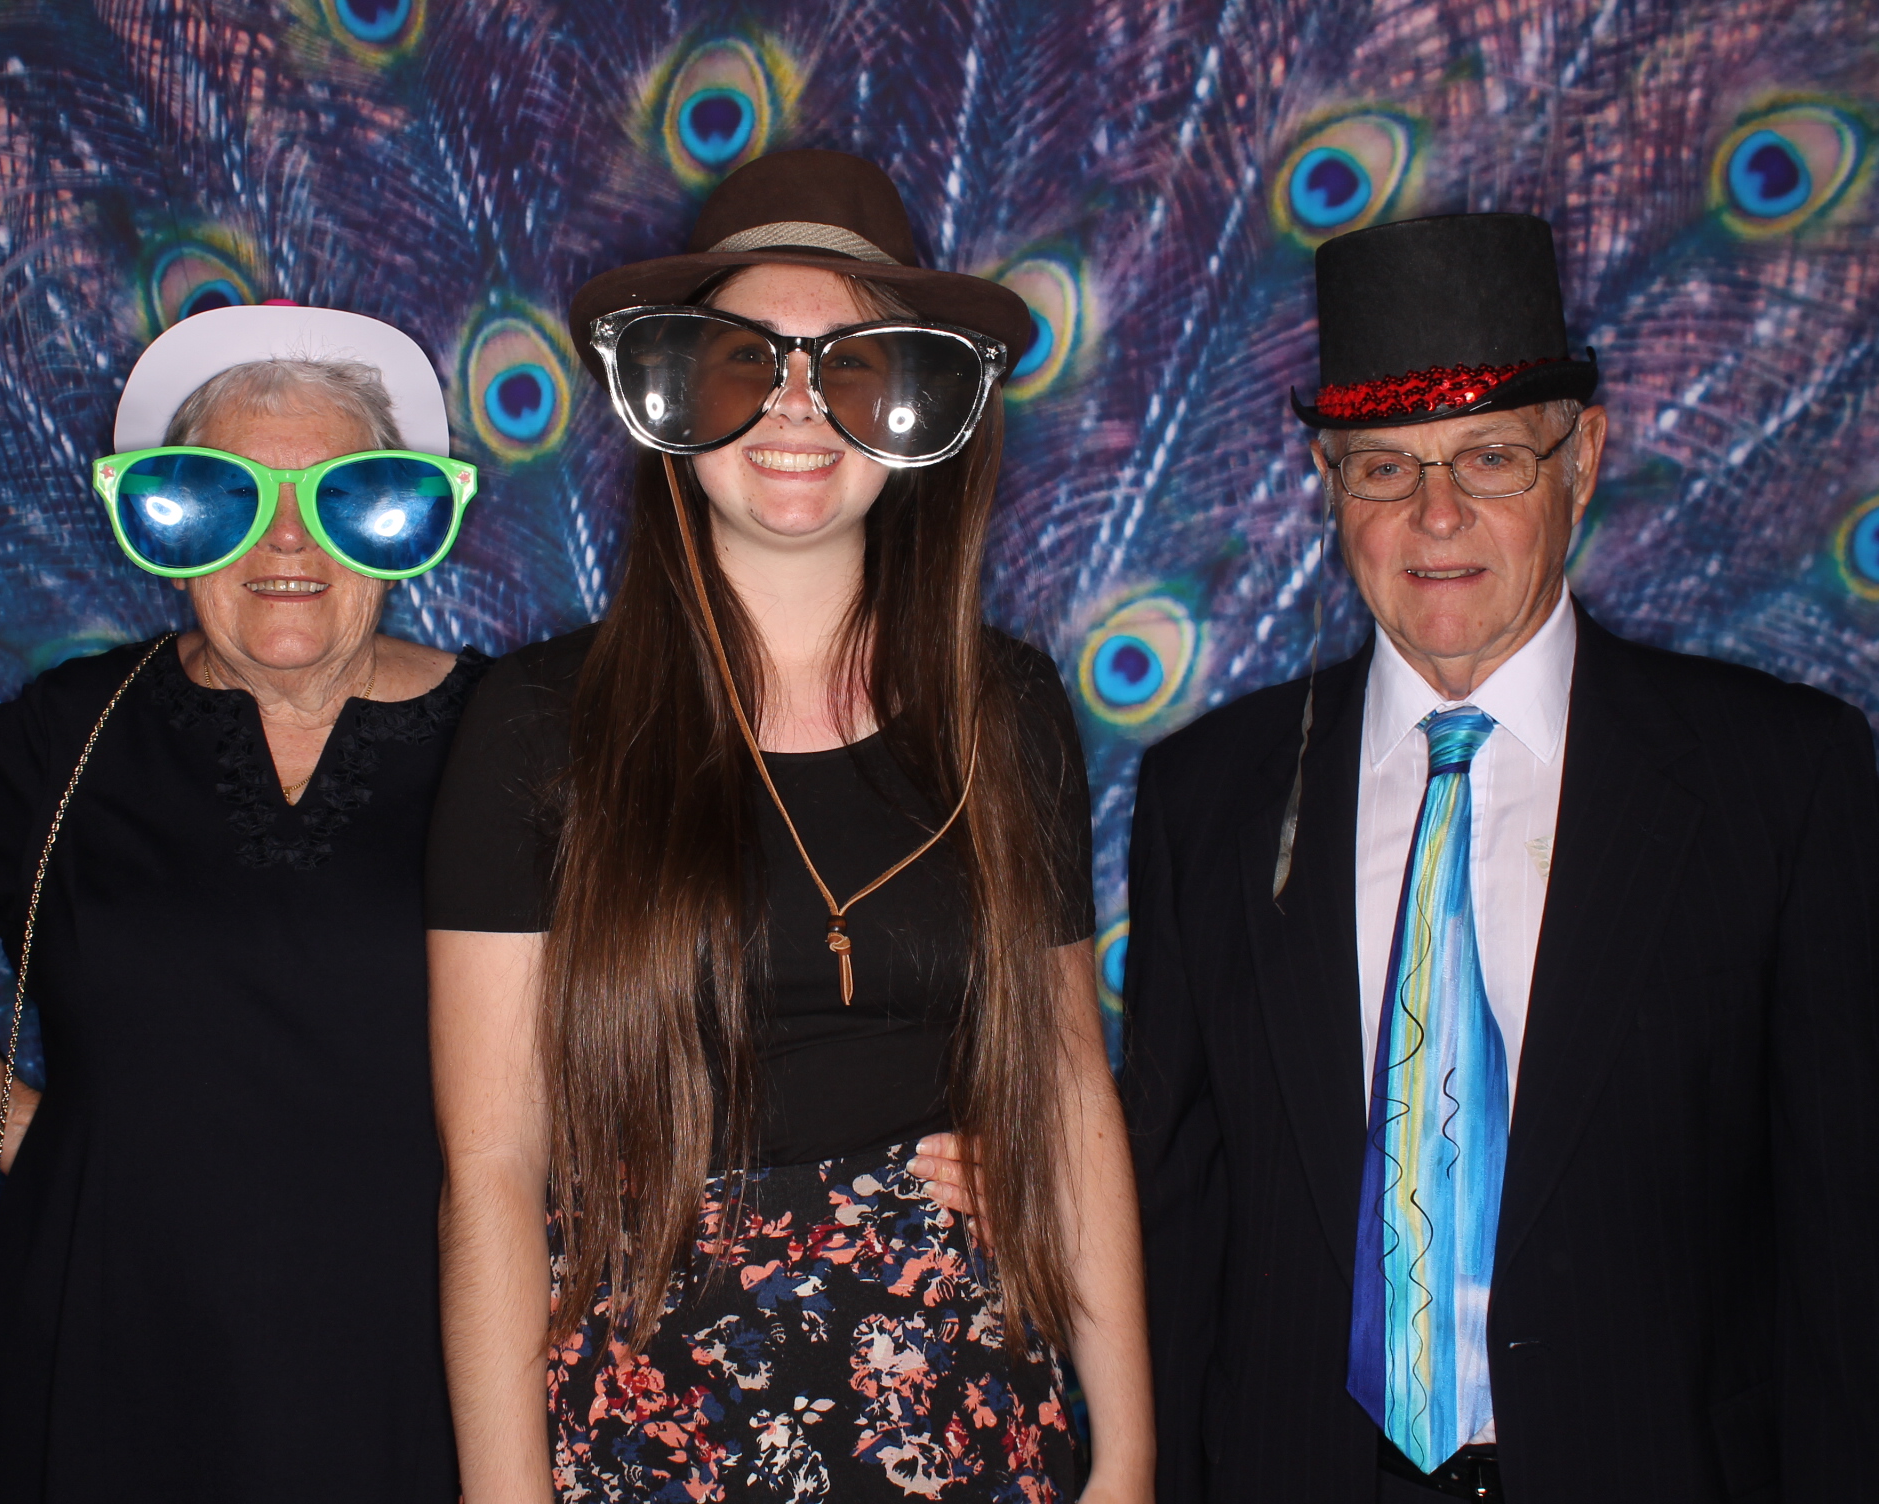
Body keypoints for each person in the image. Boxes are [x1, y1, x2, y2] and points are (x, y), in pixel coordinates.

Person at [425, 149, 1156, 1503]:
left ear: (918, 405)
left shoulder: (1008, 707)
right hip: (652, 1403)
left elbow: (1067, 1092)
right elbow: (492, 1170)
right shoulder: (537, 725)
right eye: (744, 362)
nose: (797, 408)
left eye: (852, 364)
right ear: (673, 397)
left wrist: (1130, 1460)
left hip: (960, 1395)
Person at [1119, 214, 1879, 1502]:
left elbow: (1846, 1244)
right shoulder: (1208, 800)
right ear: (1327, 481)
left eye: (1487, 457)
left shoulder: (1780, 783)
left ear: (1581, 457)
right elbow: (1181, 1238)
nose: (1436, 514)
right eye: (1383, 470)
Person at [0, 304, 488, 1500]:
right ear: (167, 520)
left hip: (416, 1343)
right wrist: (29, 1133)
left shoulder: (513, 736)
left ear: (400, 520)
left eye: (342, 492)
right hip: (123, 1330)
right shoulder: (77, 732)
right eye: (226, 495)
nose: (286, 538)